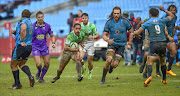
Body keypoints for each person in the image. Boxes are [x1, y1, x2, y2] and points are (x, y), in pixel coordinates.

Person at [134, 6, 174, 87]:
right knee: (162, 61)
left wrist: (135, 34)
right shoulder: (162, 20)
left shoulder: (148, 22)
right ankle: (164, 79)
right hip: (163, 43)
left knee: (150, 61)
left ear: (150, 14)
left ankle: (149, 77)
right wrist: (164, 9)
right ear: (158, 14)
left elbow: (138, 31)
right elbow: (172, 16)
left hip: (153, 43)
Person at [100, 6, 134, 84]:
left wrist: (129, 43)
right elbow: (104, 35)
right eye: (114, 13)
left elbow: (132, 32)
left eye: (117, 13)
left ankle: (112, 67)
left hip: (121, 45)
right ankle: (103, 79)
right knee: (108, 60)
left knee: (115, 64)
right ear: (113, 13)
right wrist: (108, 40)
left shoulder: (125, 21)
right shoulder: (109, 22)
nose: (116, 15)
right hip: (112, 44)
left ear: (120, 14)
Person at [9, 9, 35, 89]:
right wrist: (16, 33)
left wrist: (21, 40)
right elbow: (25, 32)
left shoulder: (22, 21)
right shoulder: (31, 23)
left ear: (22, 15)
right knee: (21, 64)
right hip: (29, 46)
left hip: (21, 46)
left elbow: (23, 28)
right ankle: (30, 75)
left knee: (13, 65)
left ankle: (17, 84)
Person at [32, 11, 56, 83]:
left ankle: (41, 78)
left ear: (43, 17)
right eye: (39, 17)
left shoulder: (48, 26)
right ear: (36, 18)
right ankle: (39, 71)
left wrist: (53, 43)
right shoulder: (32, 26)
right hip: (35, 47)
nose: (40, 18)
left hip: (44, 47)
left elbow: (52, 36)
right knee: (39, 64)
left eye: (41, 17)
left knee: (47, 63)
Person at [79, 13, 99, 79]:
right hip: (83, 43)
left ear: (88, 18)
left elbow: (97, 35)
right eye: (83, 18)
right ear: (81, 19)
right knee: (80, 58)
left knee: (90, 61)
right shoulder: (79, 26)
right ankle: (83, 68)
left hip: (90, 44)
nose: (84, 19)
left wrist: (93, 37)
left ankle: (90, 71)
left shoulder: (92, 26)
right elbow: (76, 34)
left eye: (86, 18)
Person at [164, 5, 180, 76]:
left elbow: (173, 27)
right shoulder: (165, 17)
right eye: (171, 10)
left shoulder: (175, 17)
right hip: (162, 37)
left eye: (174, 10)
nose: (173, 11)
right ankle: (157, 71)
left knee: (174, 51)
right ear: (168, 11)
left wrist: (172, 36)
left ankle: (169, 69)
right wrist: (168, 36)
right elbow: (164, 28)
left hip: (169, 38)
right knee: (159, 56)